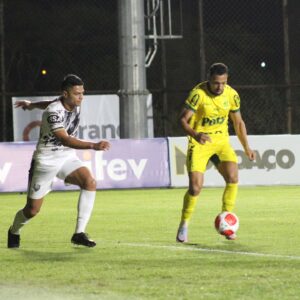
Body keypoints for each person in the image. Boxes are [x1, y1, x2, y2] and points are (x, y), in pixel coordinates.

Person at [8, 74, 110, 248]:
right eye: (77, 93)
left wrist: (32, 105)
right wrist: (93, 145)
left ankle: (79, 234)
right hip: (46, 161)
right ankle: (14, 230)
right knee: (32, 210)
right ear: (65, 93)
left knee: (89, 182)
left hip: (66, 157)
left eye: (82, 93)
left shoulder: (70, 103)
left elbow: (50, 102)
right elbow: (65, 139)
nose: (81, 97)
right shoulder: (53, 112)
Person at [176, 63, 256, 242]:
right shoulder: (198, 94)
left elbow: (238, 123)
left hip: (221, 143)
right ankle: (184, 223)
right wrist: (196, 134)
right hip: (200, 143)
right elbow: (182, 120)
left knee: (233, 178)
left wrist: (247, 148)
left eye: (223, 83)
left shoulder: (232, 95)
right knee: (195, 188)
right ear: (209, 79)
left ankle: (226, 221)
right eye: (215, 83)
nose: (219, 87)